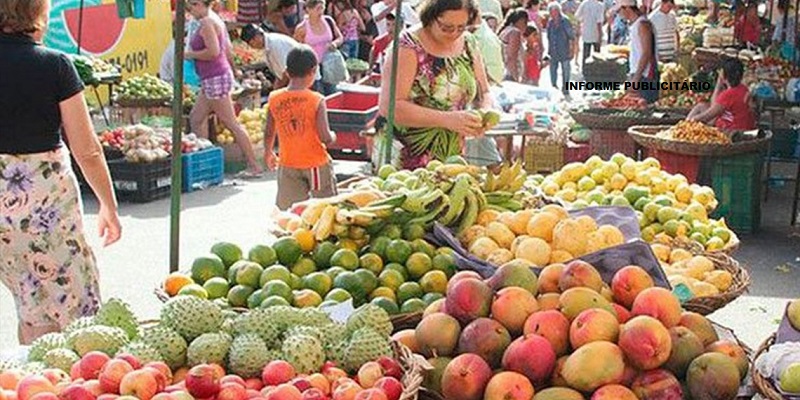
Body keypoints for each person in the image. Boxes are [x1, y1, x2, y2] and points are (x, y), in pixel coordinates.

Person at [0, 0, 122, 344]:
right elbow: (87, 149)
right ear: (38, 11)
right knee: (75, 300)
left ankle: (34, 371)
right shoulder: (54, 65)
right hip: (46, 201)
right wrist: (108, 205)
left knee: (29, 299)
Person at [378, 0, 496, 169]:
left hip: (451, 156)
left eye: (461, 27)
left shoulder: (469, 43)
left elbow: (485, 91)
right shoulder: (408, 46)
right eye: (447, 27)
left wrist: (485, 113)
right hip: (405, 156)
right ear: (431, 17)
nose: (454, 33)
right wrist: (447, 119)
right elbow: (389, 107)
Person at [186, 0, 264, 177]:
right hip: (210, 78)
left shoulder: (207, 22)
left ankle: (254, 165)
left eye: (195, 4)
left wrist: (189, 54)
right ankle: (204, 164)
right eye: (191, 5)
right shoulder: (208, 21)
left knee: (231, 123)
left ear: (205, 5)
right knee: (196, 118)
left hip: (215, 77)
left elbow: (213, 52)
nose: (192, 8)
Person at [264, 45, 337, 210]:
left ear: (287, 72)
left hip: (288, 163)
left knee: (289, 210)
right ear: (313, 71)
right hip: (316, 164)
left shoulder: (274, 98)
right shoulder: (317, 100)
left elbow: (269, 131)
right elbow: (325, 137)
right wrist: (333, 136)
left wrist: (268, 152)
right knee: (323, 209)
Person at [687, 58, 756, 131]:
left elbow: (707, 116)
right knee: (701, 106)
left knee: (693, 120)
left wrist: (690, 121)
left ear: (723, 75)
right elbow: (714, 106)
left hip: (731, 130)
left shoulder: (728, 95)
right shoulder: (743, 88)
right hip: (740, 125)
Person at [294, 0, 344, 94]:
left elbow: (340, 37)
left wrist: (335, 44)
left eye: (322, 8)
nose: (320, 12)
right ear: (309, 10)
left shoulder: (328, 21)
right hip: (312, 67)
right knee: (318, 93)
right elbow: (297, 49)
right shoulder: (302, 28)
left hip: (329, 64)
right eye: (318, 9)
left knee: (333, 92)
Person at [617, 0, 659, 103]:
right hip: (639, 74)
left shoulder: (642, 25)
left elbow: (646, 53)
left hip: (645, 76)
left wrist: (636, 78)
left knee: (645, 106)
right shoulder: (636, 24)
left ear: (627, 8)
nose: (619, 14)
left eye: (619, 10)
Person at [241, 24, 303, 88]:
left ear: (256, 37)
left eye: (250, 43)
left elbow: (287, 72)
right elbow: (280, 73)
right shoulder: (267, 45)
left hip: (302, 78)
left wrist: (277, 88)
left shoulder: (274, 44)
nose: (251, 46)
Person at [546, 2, 575, 93]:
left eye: (553, 11)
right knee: (553, 70)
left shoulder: (565, 21)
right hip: (553, 50)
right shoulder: (550, 22)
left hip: (564, 50)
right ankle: (554, 87)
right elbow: (548, 36)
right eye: (550, 12)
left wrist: (572, 50)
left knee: (566, 70)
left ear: (558, 11)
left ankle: (565, 88)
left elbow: (571, 37)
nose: (551, 14)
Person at [498, 8, 529, 82]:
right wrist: (515, 78)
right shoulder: (514, 32)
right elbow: (511, 58)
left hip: (504, 71)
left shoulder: (505, 30)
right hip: (510, 75)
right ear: (521, 21)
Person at [575, 0, 605, 70]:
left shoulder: (584, 3)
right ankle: (596, 70)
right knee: (597, 55)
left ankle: (585, 70)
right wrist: (600, 35)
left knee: (586, 54)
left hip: (586, 32)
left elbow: (577, 16)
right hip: (596, 33)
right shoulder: (599, 5)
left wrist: (580, 25)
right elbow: (599, 22)